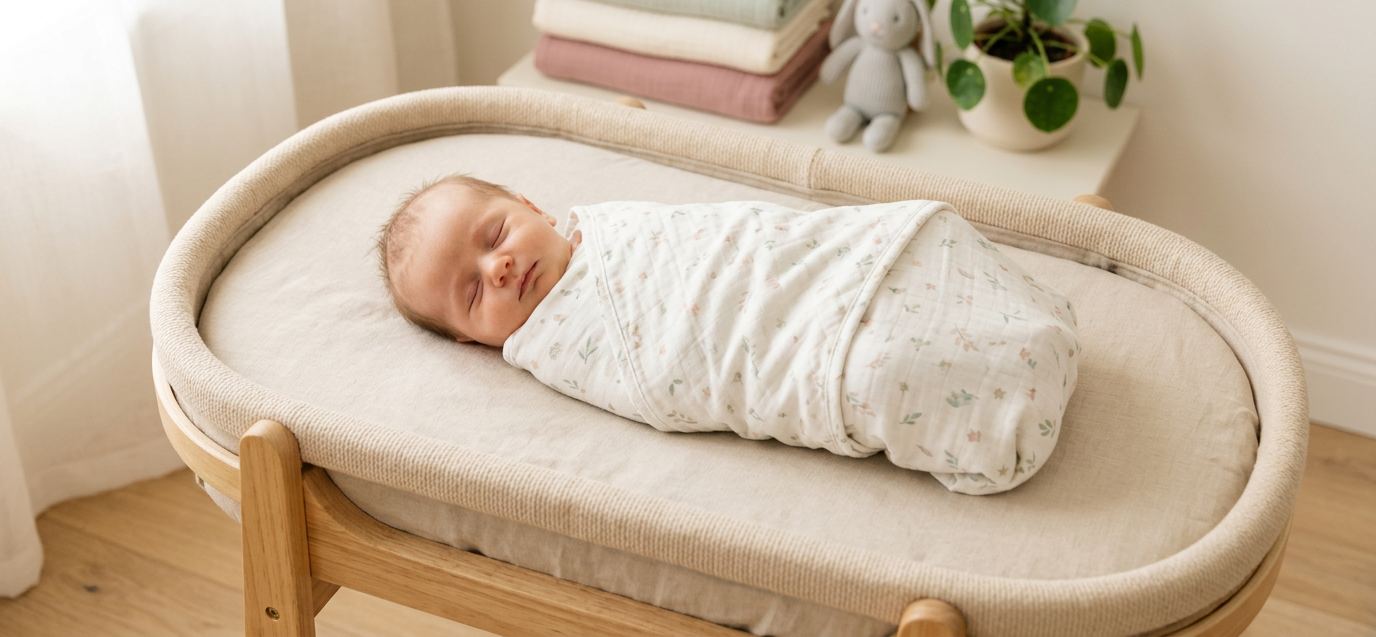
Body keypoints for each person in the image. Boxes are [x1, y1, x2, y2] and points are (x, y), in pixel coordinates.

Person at [379, 174, 1079, 494]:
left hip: (818, 262)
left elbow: (737, 235)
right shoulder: (553, 344)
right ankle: (996, 392)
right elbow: (670, 370)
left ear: (531, 204)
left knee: (914, 241)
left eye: (495, 234)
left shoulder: (613, 225)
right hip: (798, 343)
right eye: (473, 292)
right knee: (882, 369)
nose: (498, 267)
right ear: (473, 341)